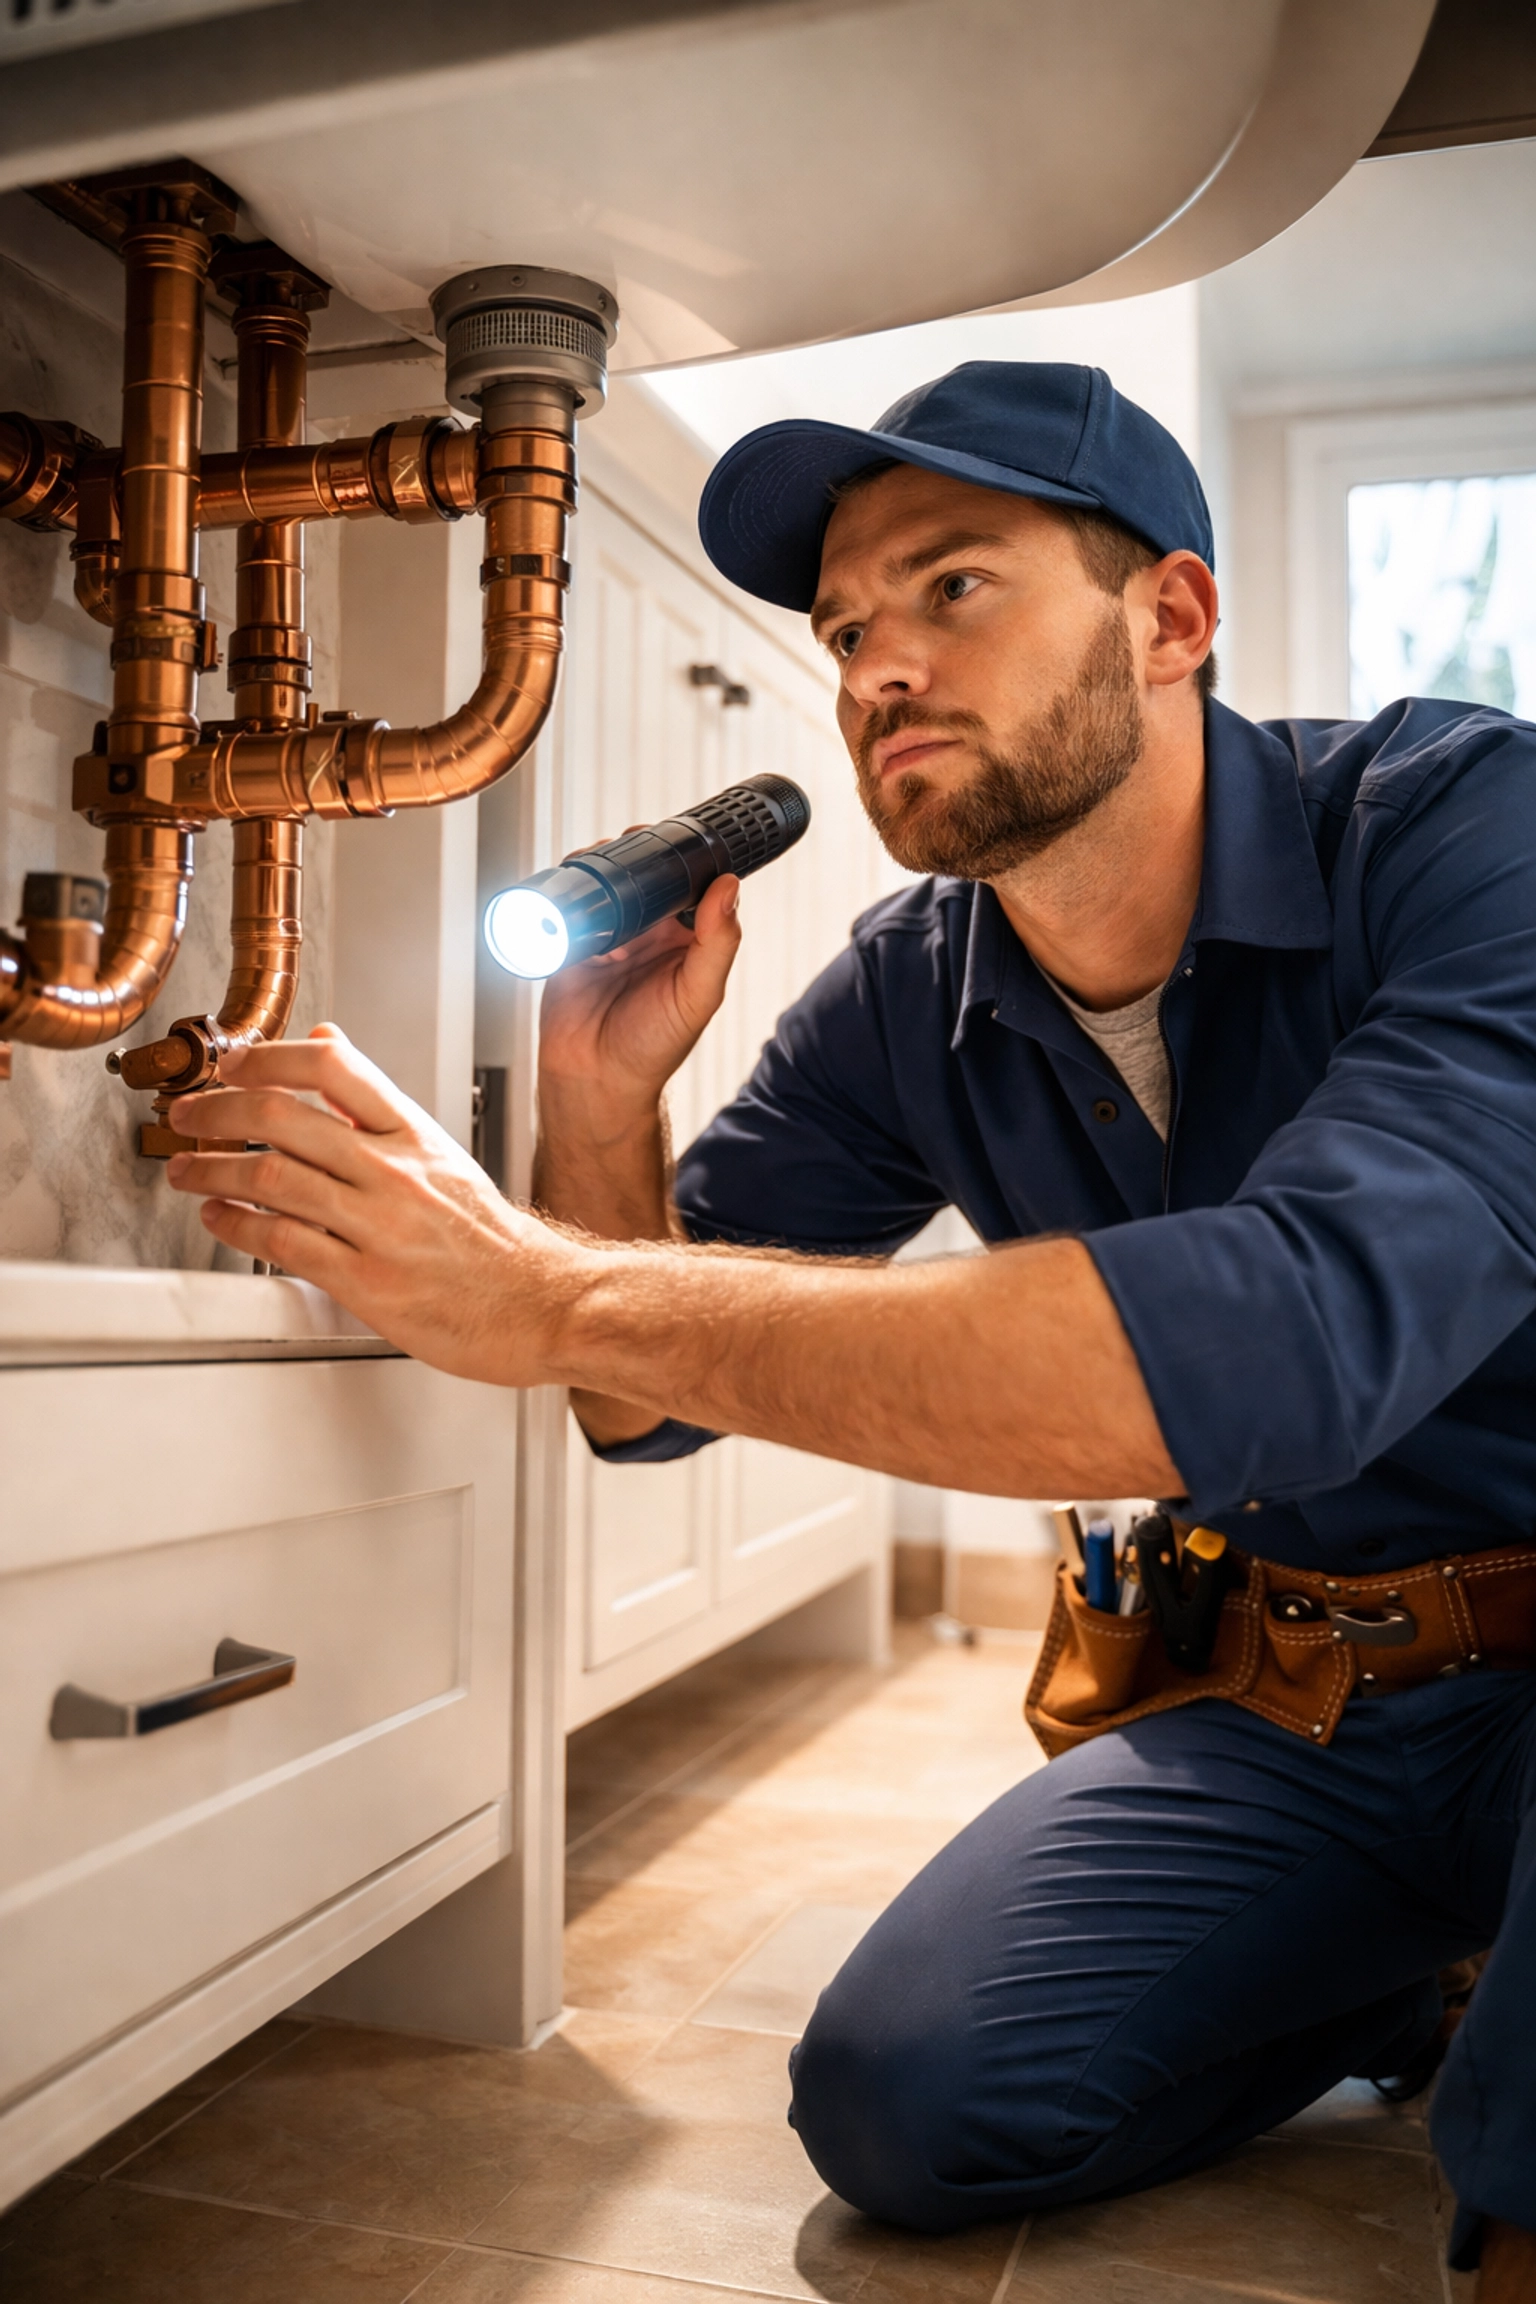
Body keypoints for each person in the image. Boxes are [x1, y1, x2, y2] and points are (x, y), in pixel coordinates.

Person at [164, 363, 1536, 2298]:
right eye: (844, 629)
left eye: (953, 588)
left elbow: (1294, 1343)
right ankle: (1416, 1966)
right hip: (1308, 1696)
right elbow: (646, 1419)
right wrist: (597, 1111)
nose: (878, 664)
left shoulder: (1466, 826)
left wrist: (535, 1283)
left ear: (1172, 618)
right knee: (911, 2106)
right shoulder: (913, 984)